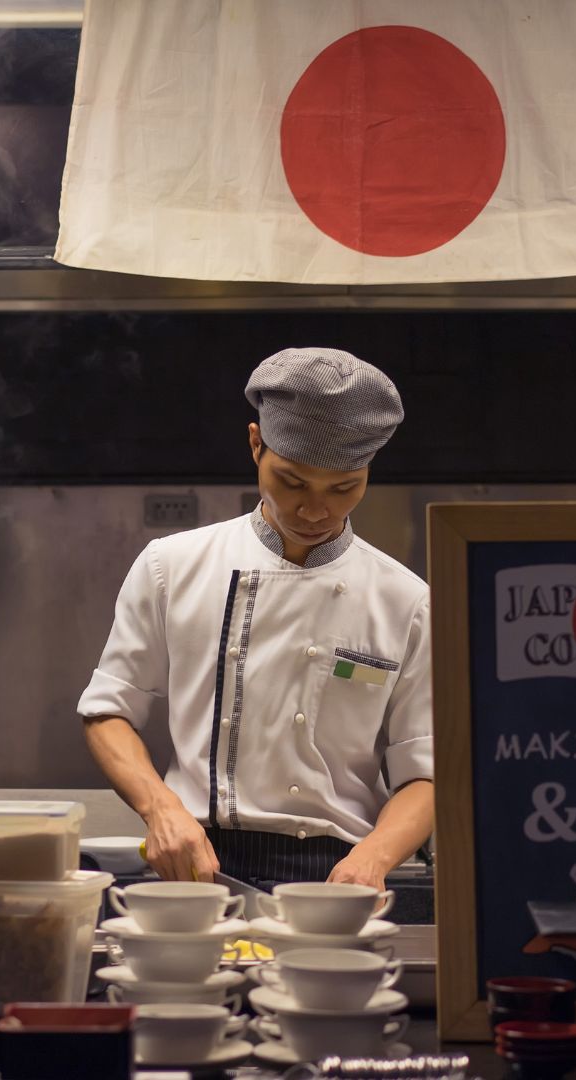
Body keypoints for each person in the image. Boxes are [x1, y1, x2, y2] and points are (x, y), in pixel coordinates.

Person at [78, 347, 433, 890]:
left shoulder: (406, 601)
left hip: (339, 874)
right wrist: (161, 809)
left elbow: (426, 770)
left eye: (344, 489)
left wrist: (376, 858)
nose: (316, 511)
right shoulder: (171, 566)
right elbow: (107, 712)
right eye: (293, 482)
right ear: (254, 444)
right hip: (196, 864)